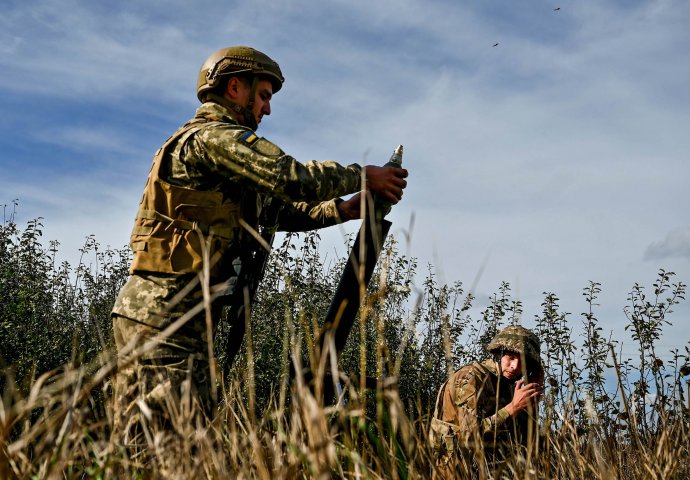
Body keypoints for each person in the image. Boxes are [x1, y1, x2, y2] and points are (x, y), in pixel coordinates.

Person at [110, 46, 408, 446]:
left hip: (179, 317)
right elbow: (291, 177)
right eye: (264, 96)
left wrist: (344, 209)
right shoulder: (212, 139)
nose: (267, 109)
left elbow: (277, 210)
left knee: (179, 446)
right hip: (165, 317)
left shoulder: (219, 161)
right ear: (235, 88)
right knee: (157, 448)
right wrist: (361, 175)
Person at [430, 325, 544, 479]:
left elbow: (528, 444)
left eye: (523, 362)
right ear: (498, 354)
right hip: (458, 472)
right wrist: (513, 408)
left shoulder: (508, 385)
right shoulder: (470, 378)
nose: (515, 366)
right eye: (510, 357)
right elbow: (469, 438)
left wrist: (530, 407)